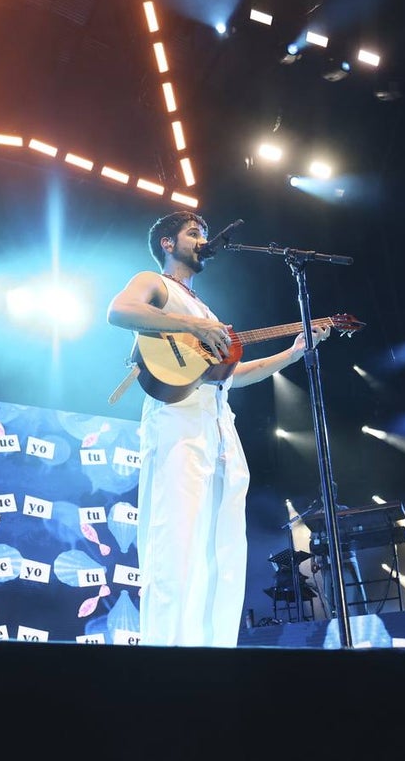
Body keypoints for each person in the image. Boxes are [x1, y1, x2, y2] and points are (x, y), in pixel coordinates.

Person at [107, 210, 331, 647]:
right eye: (193, 233)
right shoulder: (155, 284)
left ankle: (214, 653)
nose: (202, 240)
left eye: (205, 234)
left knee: (223, 553)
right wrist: (193, 325)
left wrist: (293, 352)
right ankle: (166, 654)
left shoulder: (207, 311)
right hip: (177, 424)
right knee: (177, 543)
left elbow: (234, 374)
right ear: (168, 244)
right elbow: (119, 311)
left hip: (219, 430)